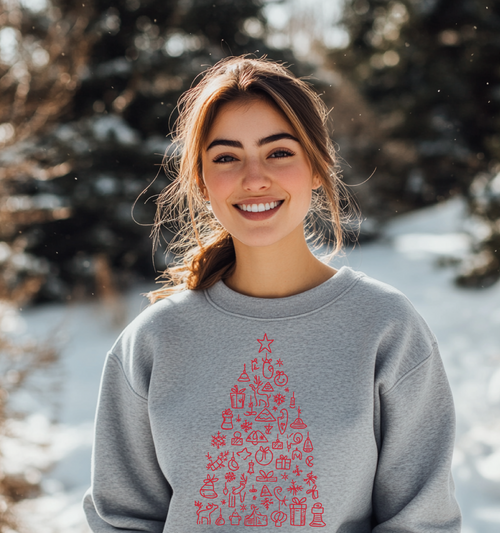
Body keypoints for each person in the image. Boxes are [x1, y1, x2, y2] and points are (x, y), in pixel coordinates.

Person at [83, 56, 461, 532]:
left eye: (278, 152)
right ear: (201, 179)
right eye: (226, 157)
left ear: (317, 167)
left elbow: (421, 519)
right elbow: (122, 519)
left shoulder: (386, 327)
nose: (254, 177)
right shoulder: (153, 343)